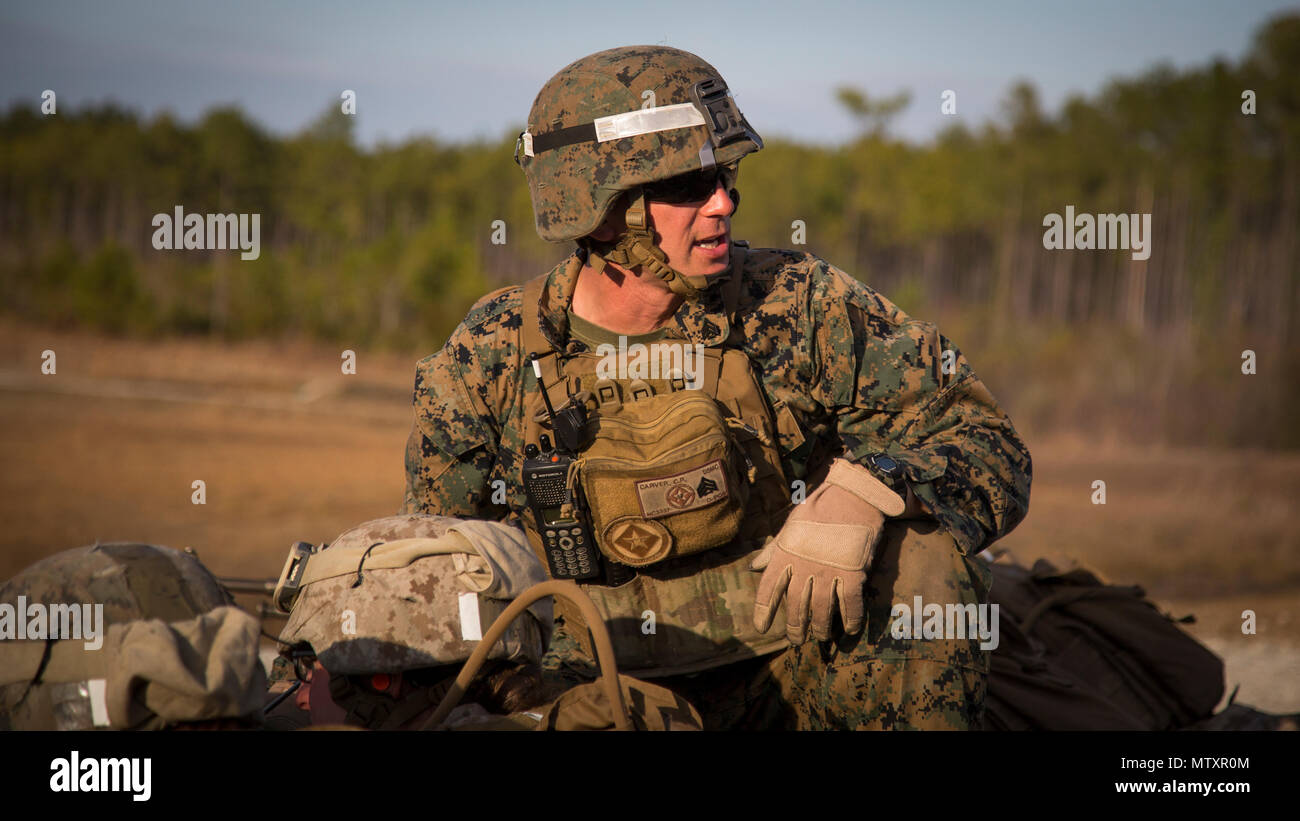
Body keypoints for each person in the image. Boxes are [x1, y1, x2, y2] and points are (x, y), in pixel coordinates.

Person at [401, 45, 1032, 729]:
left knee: (925, 562)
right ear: (601, 211)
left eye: (725, 176)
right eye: (686, 186)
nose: (723, 203)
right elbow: (435, 559)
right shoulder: (489, 356)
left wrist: (864, 488)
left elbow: (985, 439)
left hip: (793, 668)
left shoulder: (796, 302)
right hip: (597, 686)